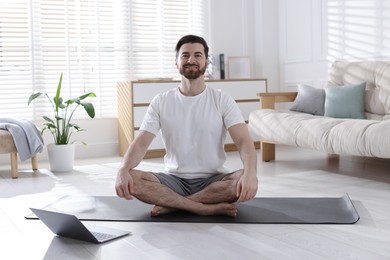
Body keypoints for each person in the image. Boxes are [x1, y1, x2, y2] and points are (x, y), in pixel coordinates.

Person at [115, 34, 258, 217]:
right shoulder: (161, 101)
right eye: (185, 55)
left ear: (206, 62)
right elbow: (141, 143)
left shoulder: (222, 99)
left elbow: (243, 140)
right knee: (132, 178)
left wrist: (250, 173)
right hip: (173, 180)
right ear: (176, 62)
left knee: (241, 178)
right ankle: (201, 207)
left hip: (213, 180)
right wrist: (122, 170)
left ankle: (174, 204)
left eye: (198, 55)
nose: (191, 60)